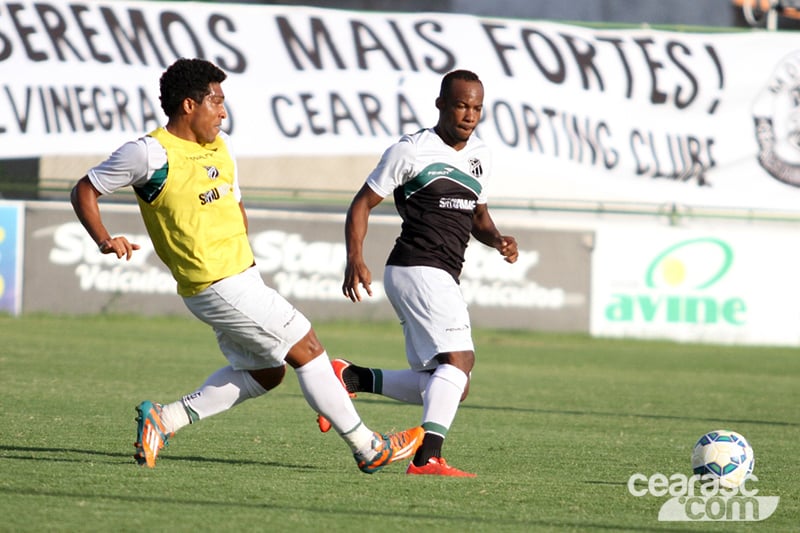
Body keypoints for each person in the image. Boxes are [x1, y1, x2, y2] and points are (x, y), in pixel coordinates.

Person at [70, 58, 423, 473]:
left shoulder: (220, 145)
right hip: (215, 283)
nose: (222, 112)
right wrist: (104, 239)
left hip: (241, 276)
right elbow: (85, 189)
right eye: (215, 102)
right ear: (188, 105)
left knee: (266, 372)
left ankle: (164, 420)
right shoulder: (149, 153)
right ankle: (368, 447)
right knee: (306, 347)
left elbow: (234, 202)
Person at [318, 69, 519, 477]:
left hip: (438, 272)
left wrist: (497, 239)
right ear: (441, 104)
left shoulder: (481, 156)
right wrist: (354, 257)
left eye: (477, 107)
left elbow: (478, 215)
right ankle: (427, 458)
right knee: (461, 360)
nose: (469, 115)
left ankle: (352, 377)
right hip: (417, 265)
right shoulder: (411, 150)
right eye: (461, 105)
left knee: (449, 383)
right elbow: (361, 204)